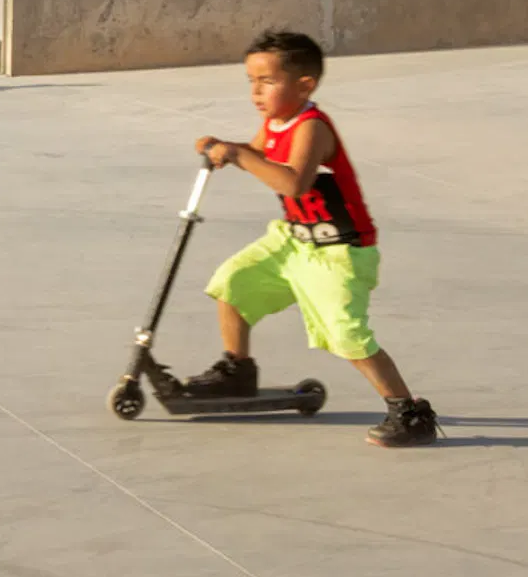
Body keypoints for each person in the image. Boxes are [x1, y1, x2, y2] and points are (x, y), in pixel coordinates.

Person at [188, 27, 439, 446]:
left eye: (267, 81)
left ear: (305, 84)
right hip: (292, 239)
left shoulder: (312, 127)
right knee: (232, 282)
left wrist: (241, 155)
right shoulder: (275, 122)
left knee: (345, 334)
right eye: (251, 81)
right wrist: (224, 149)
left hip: (338, 249)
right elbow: (260, 154)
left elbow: (294, 184)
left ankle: (408, 411)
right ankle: (237, 370)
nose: (256, 91)